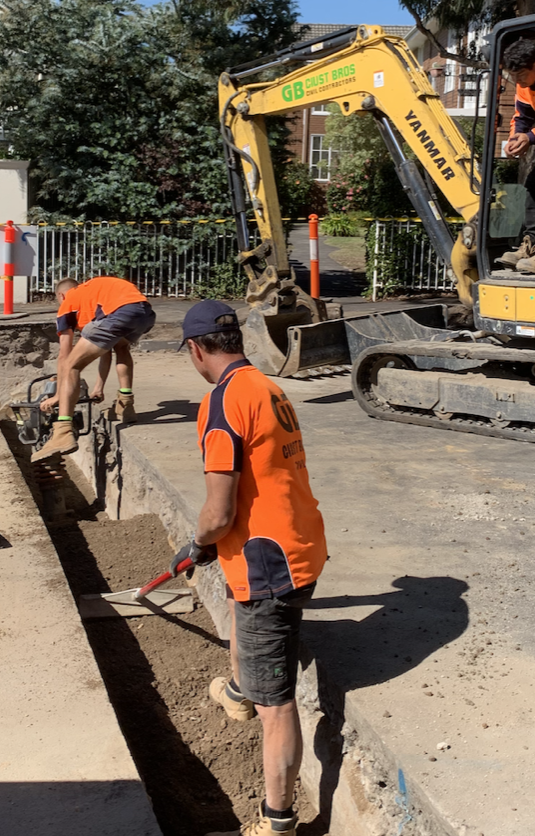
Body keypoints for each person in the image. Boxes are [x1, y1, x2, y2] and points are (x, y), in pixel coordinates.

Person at [174, 300, 327, 836]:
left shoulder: (221, 404)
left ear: (196, 349)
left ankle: (277, 820)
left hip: (271, 563)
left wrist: (197, 544)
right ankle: (239, 693)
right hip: (299, 540)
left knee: (278, 705)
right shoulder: (266, 386)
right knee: (246, 616)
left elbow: (218, 510)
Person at [31, 275, 156, 461]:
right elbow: (104, 351)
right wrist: (99, 387)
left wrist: (58, 395)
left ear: (61, 295)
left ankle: (63, 431)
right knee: (121, 347)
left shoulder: (69, 301)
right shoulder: (92, 293)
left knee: (71, 365)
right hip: (143, 312)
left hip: (120, 312)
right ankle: (126, 402)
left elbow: (65, 355)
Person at [497, 37, 535, 275]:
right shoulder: (524, 84)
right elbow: (522, 117)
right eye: (513, 76)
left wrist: (531, 138)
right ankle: (531, 244)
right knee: (534, 184)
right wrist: (516, 138)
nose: (517, 81)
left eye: (520, 75)